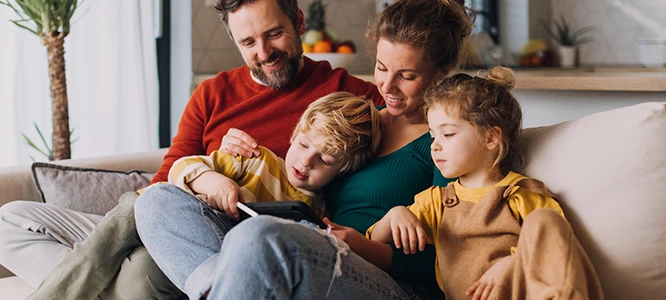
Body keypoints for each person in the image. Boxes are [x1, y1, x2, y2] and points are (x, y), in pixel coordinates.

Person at [0, 0, 382, 297]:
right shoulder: (212, 93)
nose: (264, 52)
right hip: (165, 210)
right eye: (248, 42)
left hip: (217, 241)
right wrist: (209, 172)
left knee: (143, 270)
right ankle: (102, 275)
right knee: (10, 219)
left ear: (298, 22)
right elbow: (165, 178)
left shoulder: (350, 97)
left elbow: (377, 175)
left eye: (274, 34)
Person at [135, 0, 473, 299]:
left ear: (441, 73)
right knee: (156, 201)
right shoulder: (359, 119)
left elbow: (459, 259)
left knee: (260, 235)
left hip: (387, 279)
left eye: (407, 76)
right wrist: (223, 164)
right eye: (381, 69)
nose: (387, 86)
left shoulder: (448, 142)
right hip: (313, 253)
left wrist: (367, 247)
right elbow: (299, 172)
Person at [367, 67, 604, 300]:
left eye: (447, 134)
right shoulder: (436, 201)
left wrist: (513, 263)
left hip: (522, 293)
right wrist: (396, 214)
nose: (435, 146)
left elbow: (558, 254)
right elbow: (375, 239)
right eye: (432, 136)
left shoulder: (523, 195)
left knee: (545, 220)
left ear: (490, 138)